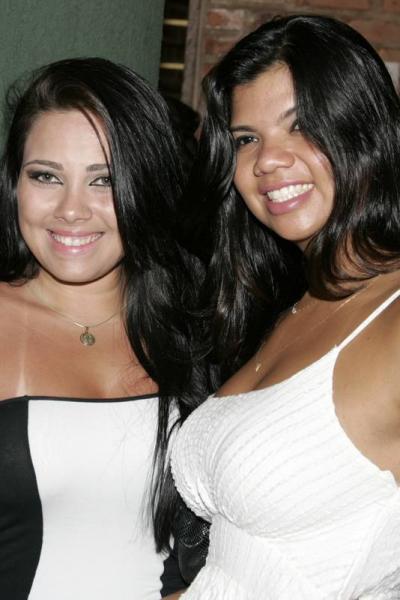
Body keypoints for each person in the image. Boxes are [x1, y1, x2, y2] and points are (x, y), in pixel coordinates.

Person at [171, 15, 400, 599]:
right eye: (246, 139)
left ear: (364, 128)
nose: (267, 160)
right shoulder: (280, 305)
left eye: (300, 126)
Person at [0, 57, 211, 599]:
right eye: (46, 176)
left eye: (104, 180)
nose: (72, 210)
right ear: (14, 183)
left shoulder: (196, 326)